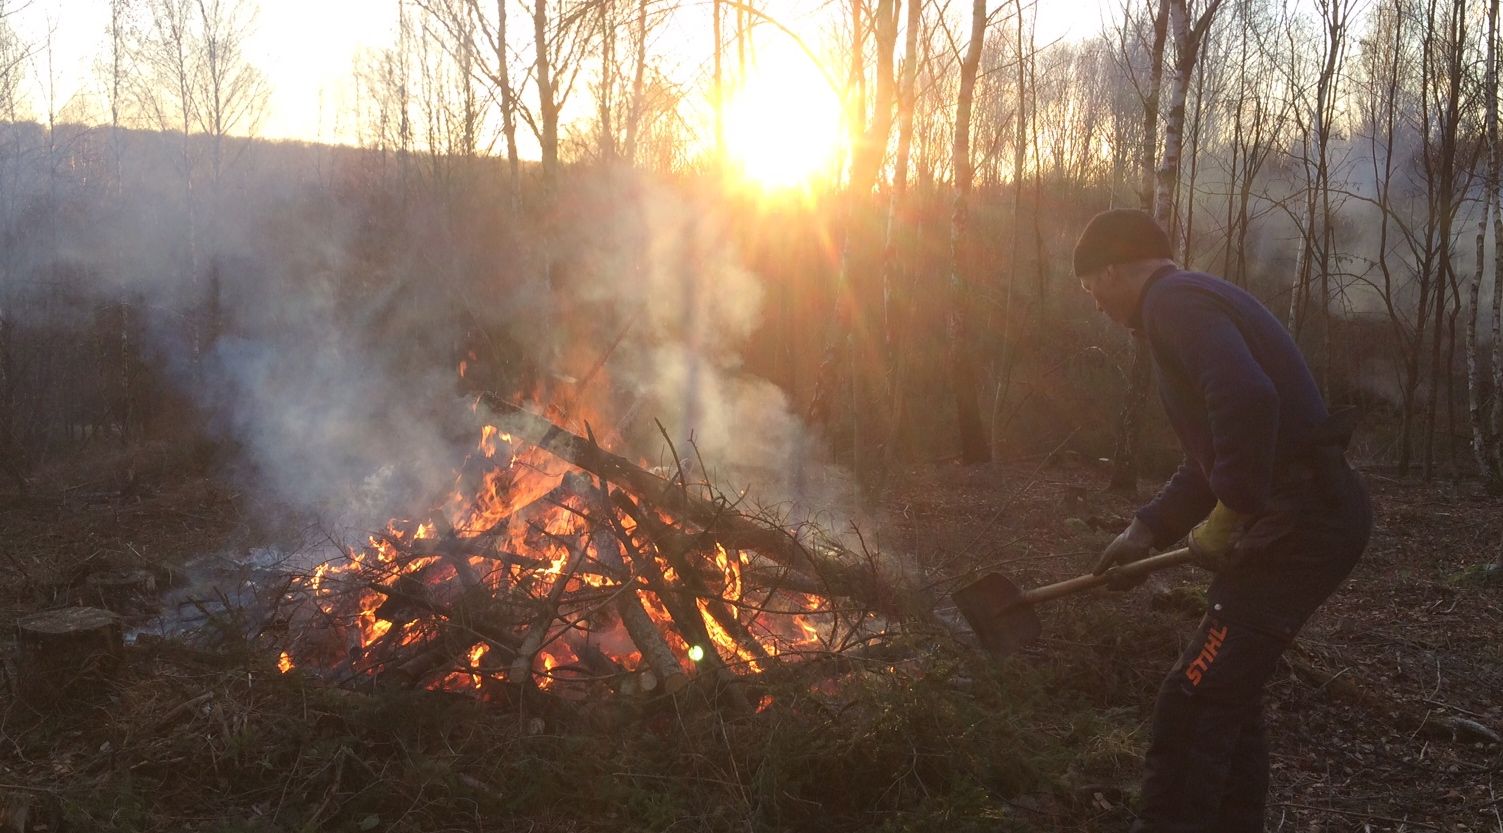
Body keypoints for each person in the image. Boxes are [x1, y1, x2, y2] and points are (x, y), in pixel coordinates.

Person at [1074, 208, 1372, 832]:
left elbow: (1248, 398)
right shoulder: (1190, 299)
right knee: (1225, 698)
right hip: (1306, 517)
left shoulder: (1172, 302)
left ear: (1111, 270)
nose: (1094, 303)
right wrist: (1147, 529)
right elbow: (1211, 455)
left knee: (1193, 701)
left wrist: (1231, 512)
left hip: (1303, 523)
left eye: (1089, 287)